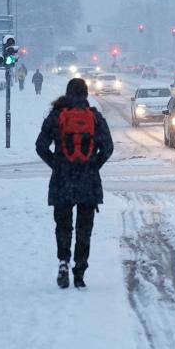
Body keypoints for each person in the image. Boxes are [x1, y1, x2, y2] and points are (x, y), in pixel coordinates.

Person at [35, 78, 114, 289]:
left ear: (68, 93)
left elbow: (40, 146)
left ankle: (63, 261)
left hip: (63, 180)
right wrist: (93, 166)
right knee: (84, 228)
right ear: (86, 94)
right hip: (88, 182)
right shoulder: (95, 117)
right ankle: (80, 270)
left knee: (63, 226)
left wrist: (57, 164)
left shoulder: (56, 116)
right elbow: (108, 147)